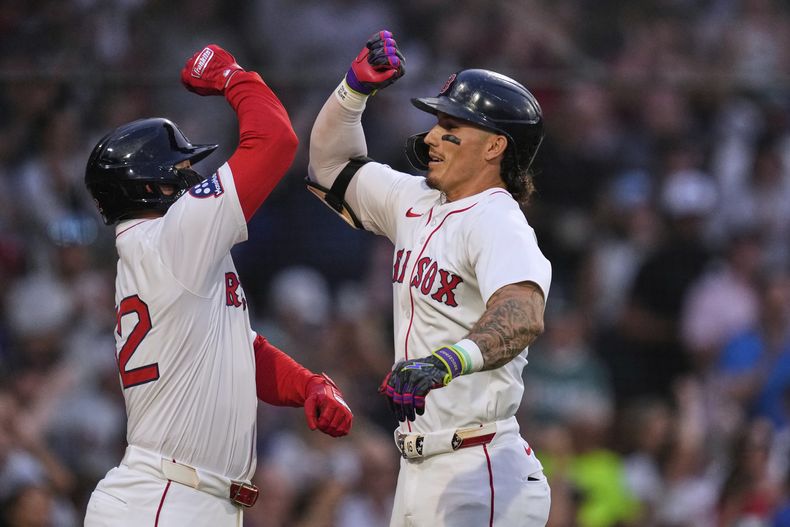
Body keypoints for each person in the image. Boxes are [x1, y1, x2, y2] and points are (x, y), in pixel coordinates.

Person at [82, 44, 353, 526]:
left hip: (179, 497)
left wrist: (306, 385)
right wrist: (233, 77)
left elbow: (237, 350)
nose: (193, 178)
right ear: (152, 185)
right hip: (167, 499)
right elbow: (275, 140)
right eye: (181, 171)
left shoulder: (166, 251)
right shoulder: (174, 236)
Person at [307, 30, 552, 526]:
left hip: (479, 467)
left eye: (451, 125)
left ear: (495, 146)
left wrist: (447, 360)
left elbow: (523, 314)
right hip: (421, 468)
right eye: (437, 123)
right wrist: (353, 91)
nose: (433, 137)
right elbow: (329, 166)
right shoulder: (413, 199)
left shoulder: (497, 220)